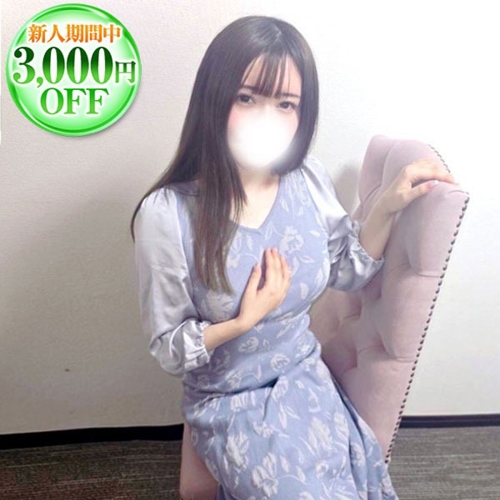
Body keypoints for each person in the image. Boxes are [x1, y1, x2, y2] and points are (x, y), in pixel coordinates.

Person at [130, 15, 455, 500]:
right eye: (247, 98)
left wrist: (387, 204)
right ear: (214, 99)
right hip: (229, 399)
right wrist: (241, 323)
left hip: (303, 377)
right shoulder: (167, 213)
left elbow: (348, 268)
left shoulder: (307, 179)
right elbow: (168, 347)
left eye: (285, 104)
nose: (267, 119)